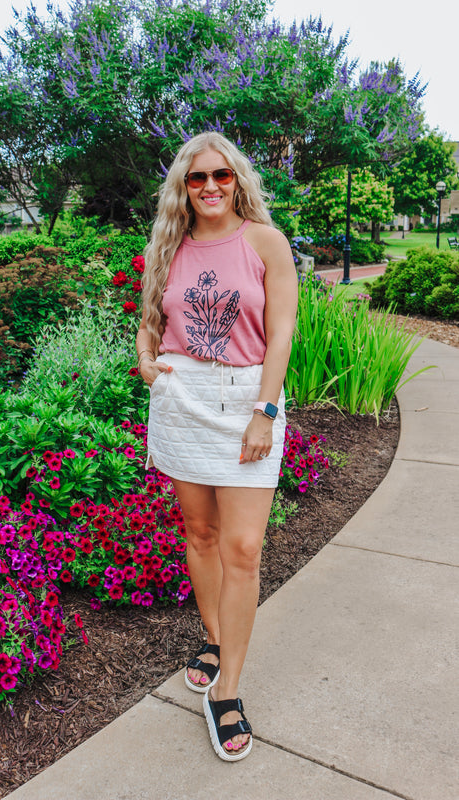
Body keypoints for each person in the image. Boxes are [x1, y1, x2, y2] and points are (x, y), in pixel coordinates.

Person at [136, 131, 298, 761]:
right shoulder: (167, 246)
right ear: (184, 184)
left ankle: (226, 690)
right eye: (197, 178)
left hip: (247, 402)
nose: (209, 187)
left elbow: (281, 332)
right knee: (200, 536)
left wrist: (266, 410)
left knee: (244, 546)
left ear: (238, 181)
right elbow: (151, 317)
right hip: (184, 398)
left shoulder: (264, 241)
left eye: (221, 177)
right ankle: (214, 637)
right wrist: (147, 357)